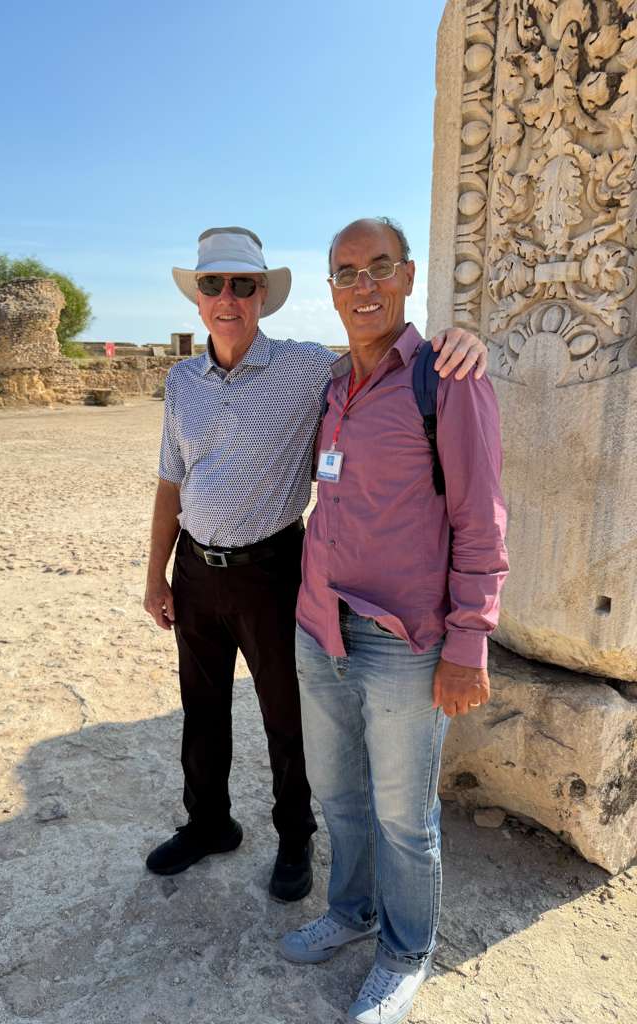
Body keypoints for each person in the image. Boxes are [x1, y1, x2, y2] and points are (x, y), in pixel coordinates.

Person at [142, 225, 488, 903]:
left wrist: (461, 340)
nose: (228, 298)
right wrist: (155, 574)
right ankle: (209, 824)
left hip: (273, 570)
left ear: (262, 295)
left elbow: (380, 357)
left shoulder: (306, 368)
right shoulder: (180, 381)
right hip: (197, 570)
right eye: (213, 284)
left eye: (243, 285)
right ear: (198, 297)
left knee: (286, 716)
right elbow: (170, 482)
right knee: (201, 708)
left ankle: (295, 838)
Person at [278, 217, 509, 1023]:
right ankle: (352, 912)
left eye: (379, 267)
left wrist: (470, 640)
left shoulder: (447, 378)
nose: (364, 286)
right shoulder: (329, 385)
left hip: (405, 642)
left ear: (409, 276)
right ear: (331, 289)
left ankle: (406, 953)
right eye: (347, 273)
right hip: (319, 628)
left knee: (404, 817)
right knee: (339, 795)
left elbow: (482, 518)